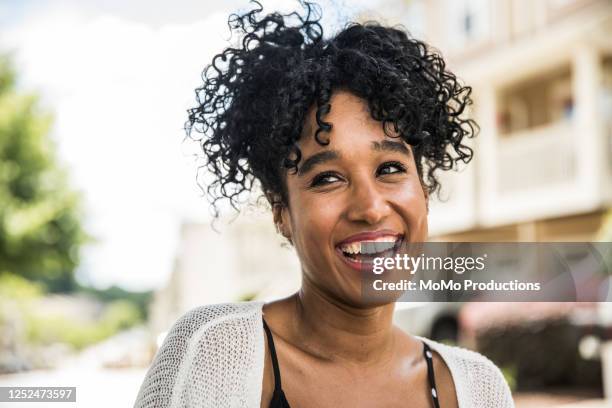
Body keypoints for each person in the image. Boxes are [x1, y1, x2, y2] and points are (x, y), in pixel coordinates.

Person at [134, 1, 515, 407]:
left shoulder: (478, 389)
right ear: (281, 211)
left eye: (389, 168)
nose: (370, 207)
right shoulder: (213, 357)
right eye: (327, 178)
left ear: (422, 187)